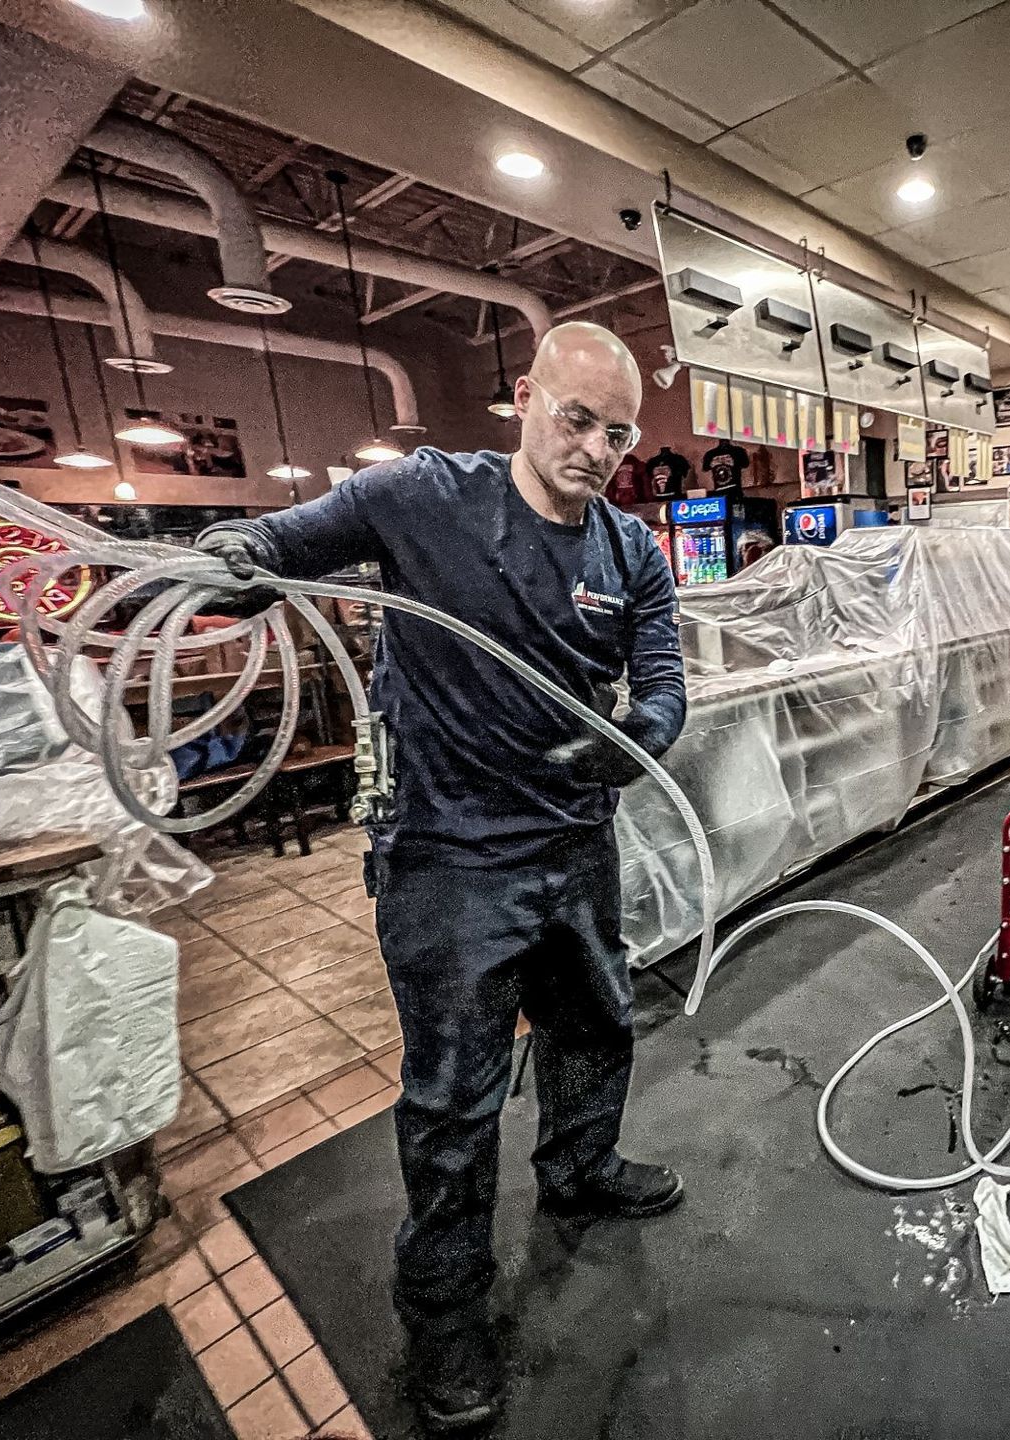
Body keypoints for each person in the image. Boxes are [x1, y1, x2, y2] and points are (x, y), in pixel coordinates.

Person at [195, 322, 686, 1434]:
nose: (597, 448)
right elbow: (276, 541)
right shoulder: (421, 496)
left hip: (572, 844)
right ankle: (445, 1312)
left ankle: (579, 1164)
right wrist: (228, 565)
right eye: (577, 419)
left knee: (595, 1024)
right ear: (524, 397)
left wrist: (641, 731)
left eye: (618, 433)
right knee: (455, 1103)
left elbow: (661, 677)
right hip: (449, 859)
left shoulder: (631, 553)